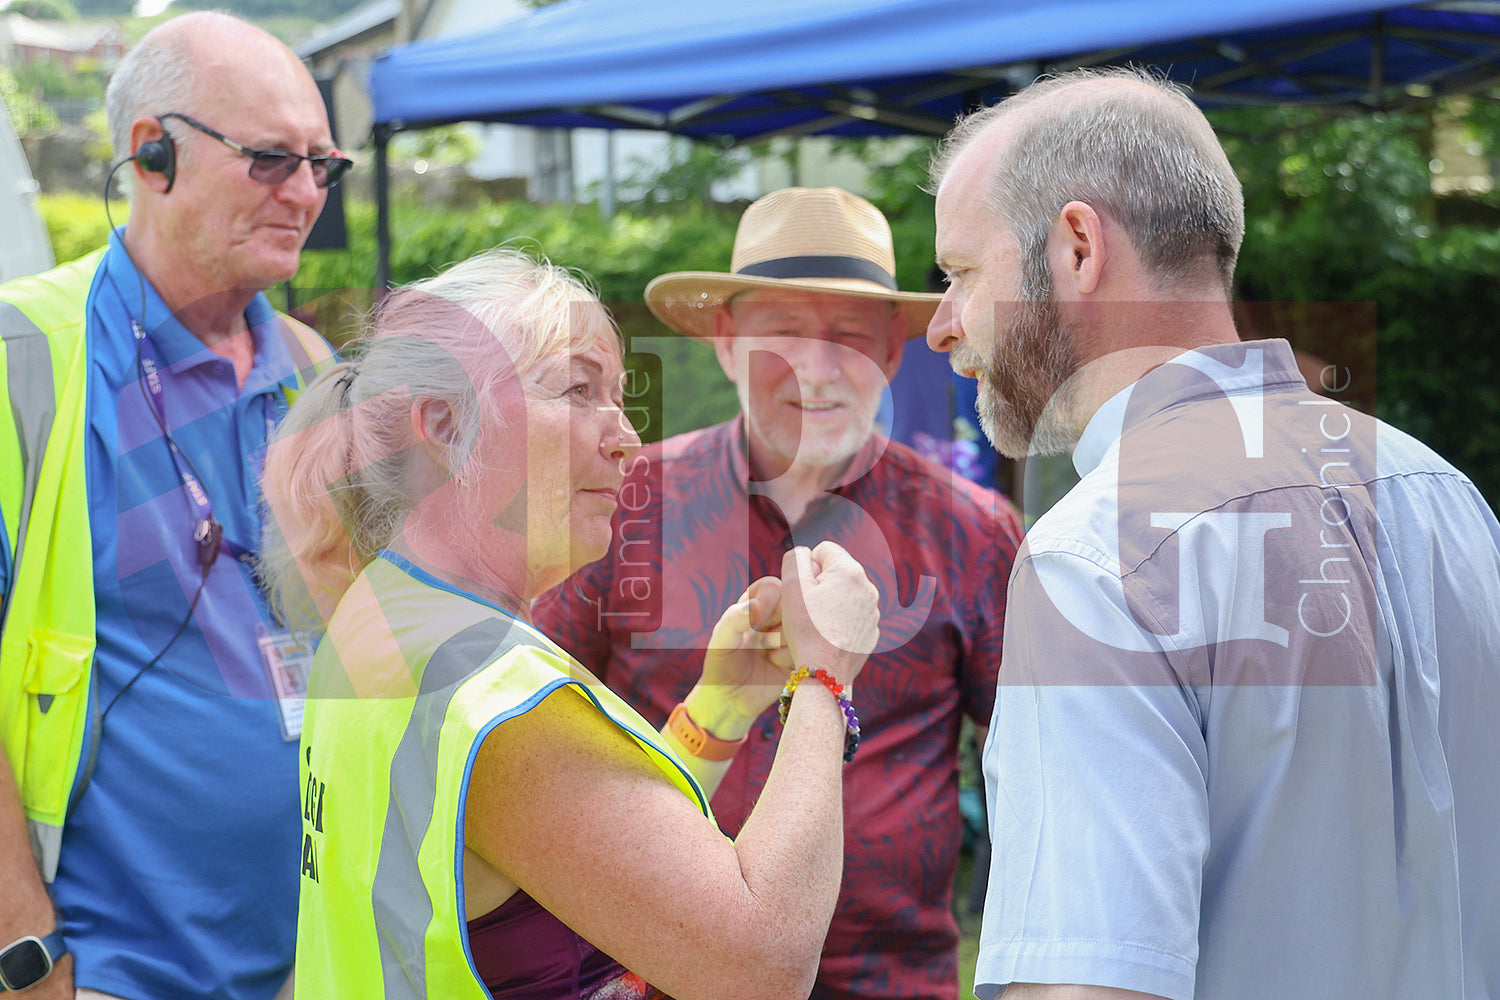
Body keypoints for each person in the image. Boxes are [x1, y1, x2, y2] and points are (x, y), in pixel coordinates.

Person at [927, 66, 1500, 1000]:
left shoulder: (1097, 555)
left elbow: (1090, 984)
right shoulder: (1447, 497)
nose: (942, 326)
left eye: (960, 273)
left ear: (1077, 248)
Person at [257, 247, 881, 999]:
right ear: (443, 427)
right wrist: (824, 676)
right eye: (579, 390)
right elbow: (763, 965)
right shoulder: (488, 686)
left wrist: (719, 707)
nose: (623, 436)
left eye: (618, 396)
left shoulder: (382, 612)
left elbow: (579, 845)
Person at [534, 186, 1025, 1000]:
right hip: (654, 977)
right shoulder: (621, 508)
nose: (816, 370)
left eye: (848, 339)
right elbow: (542, 740)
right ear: (727, 343)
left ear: (893, 356)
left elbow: (1032, 785)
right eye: (784, 334)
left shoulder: (973, 534)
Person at [0, 12, 345, 998]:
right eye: (273, 159)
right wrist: (27, 956)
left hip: (311, 963)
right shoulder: (22, 356)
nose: (309, 192)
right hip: (106, 972)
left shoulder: (316, 375)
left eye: (325, 164)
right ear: (151, 154)